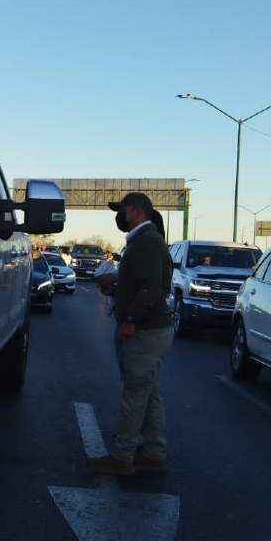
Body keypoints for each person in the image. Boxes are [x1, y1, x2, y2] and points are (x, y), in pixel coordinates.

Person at [88, 192, 174, 476]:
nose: (119, 216)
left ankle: (122, 457)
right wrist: (114, 286)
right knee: (149, 393)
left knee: (135, 393)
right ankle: (153, 452)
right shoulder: (143, 241)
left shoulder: (146, 242)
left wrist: (129, 320)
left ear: (136, 211)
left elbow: (151, 289)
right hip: (153, 329)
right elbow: (139, 284)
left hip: (145, 331)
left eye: (122, 210)